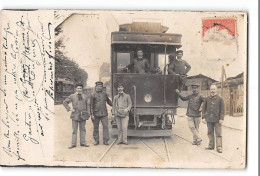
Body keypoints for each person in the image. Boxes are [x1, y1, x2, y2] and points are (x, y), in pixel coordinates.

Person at [63, 83, 90, 149]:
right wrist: (70, 109)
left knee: (83, 129)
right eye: (78, 88)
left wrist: (88, 114)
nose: (79, 89)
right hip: (75, 115)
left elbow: (88, 106)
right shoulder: (72, 96)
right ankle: (73, 144)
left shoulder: (85, 96)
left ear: (82, 89)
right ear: (76, 89)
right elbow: (64, 102)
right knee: (74, 130)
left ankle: (83, 143)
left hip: (83, 115)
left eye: (80, 88)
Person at [202, 84, 225, 153]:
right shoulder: (207, 99)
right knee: (210, 133)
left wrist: (221, 118)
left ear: (216, 90)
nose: (212, 90)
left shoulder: (220, 99)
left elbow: (222, 109)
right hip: (209, 119)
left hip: (217, 120)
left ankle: (219, 147)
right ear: (210, 90)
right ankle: (211, 146)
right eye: (211, 89)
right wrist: (203, 117)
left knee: (218, 133)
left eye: (214, 89)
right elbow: (204, 109)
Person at [90, 81, 113, 146]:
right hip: (95, 114)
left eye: (100, 86)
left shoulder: (104, 94)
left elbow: (108, 101)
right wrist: (91, 114)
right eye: (98, 86)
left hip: (104, 114)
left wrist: (114, 105)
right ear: (96, 87)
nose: (99, 87)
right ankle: (96, 140)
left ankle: (105, 140)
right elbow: (91, 105)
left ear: (102, 87)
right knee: (96, 127)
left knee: (105, 126)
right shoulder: (93, 95)